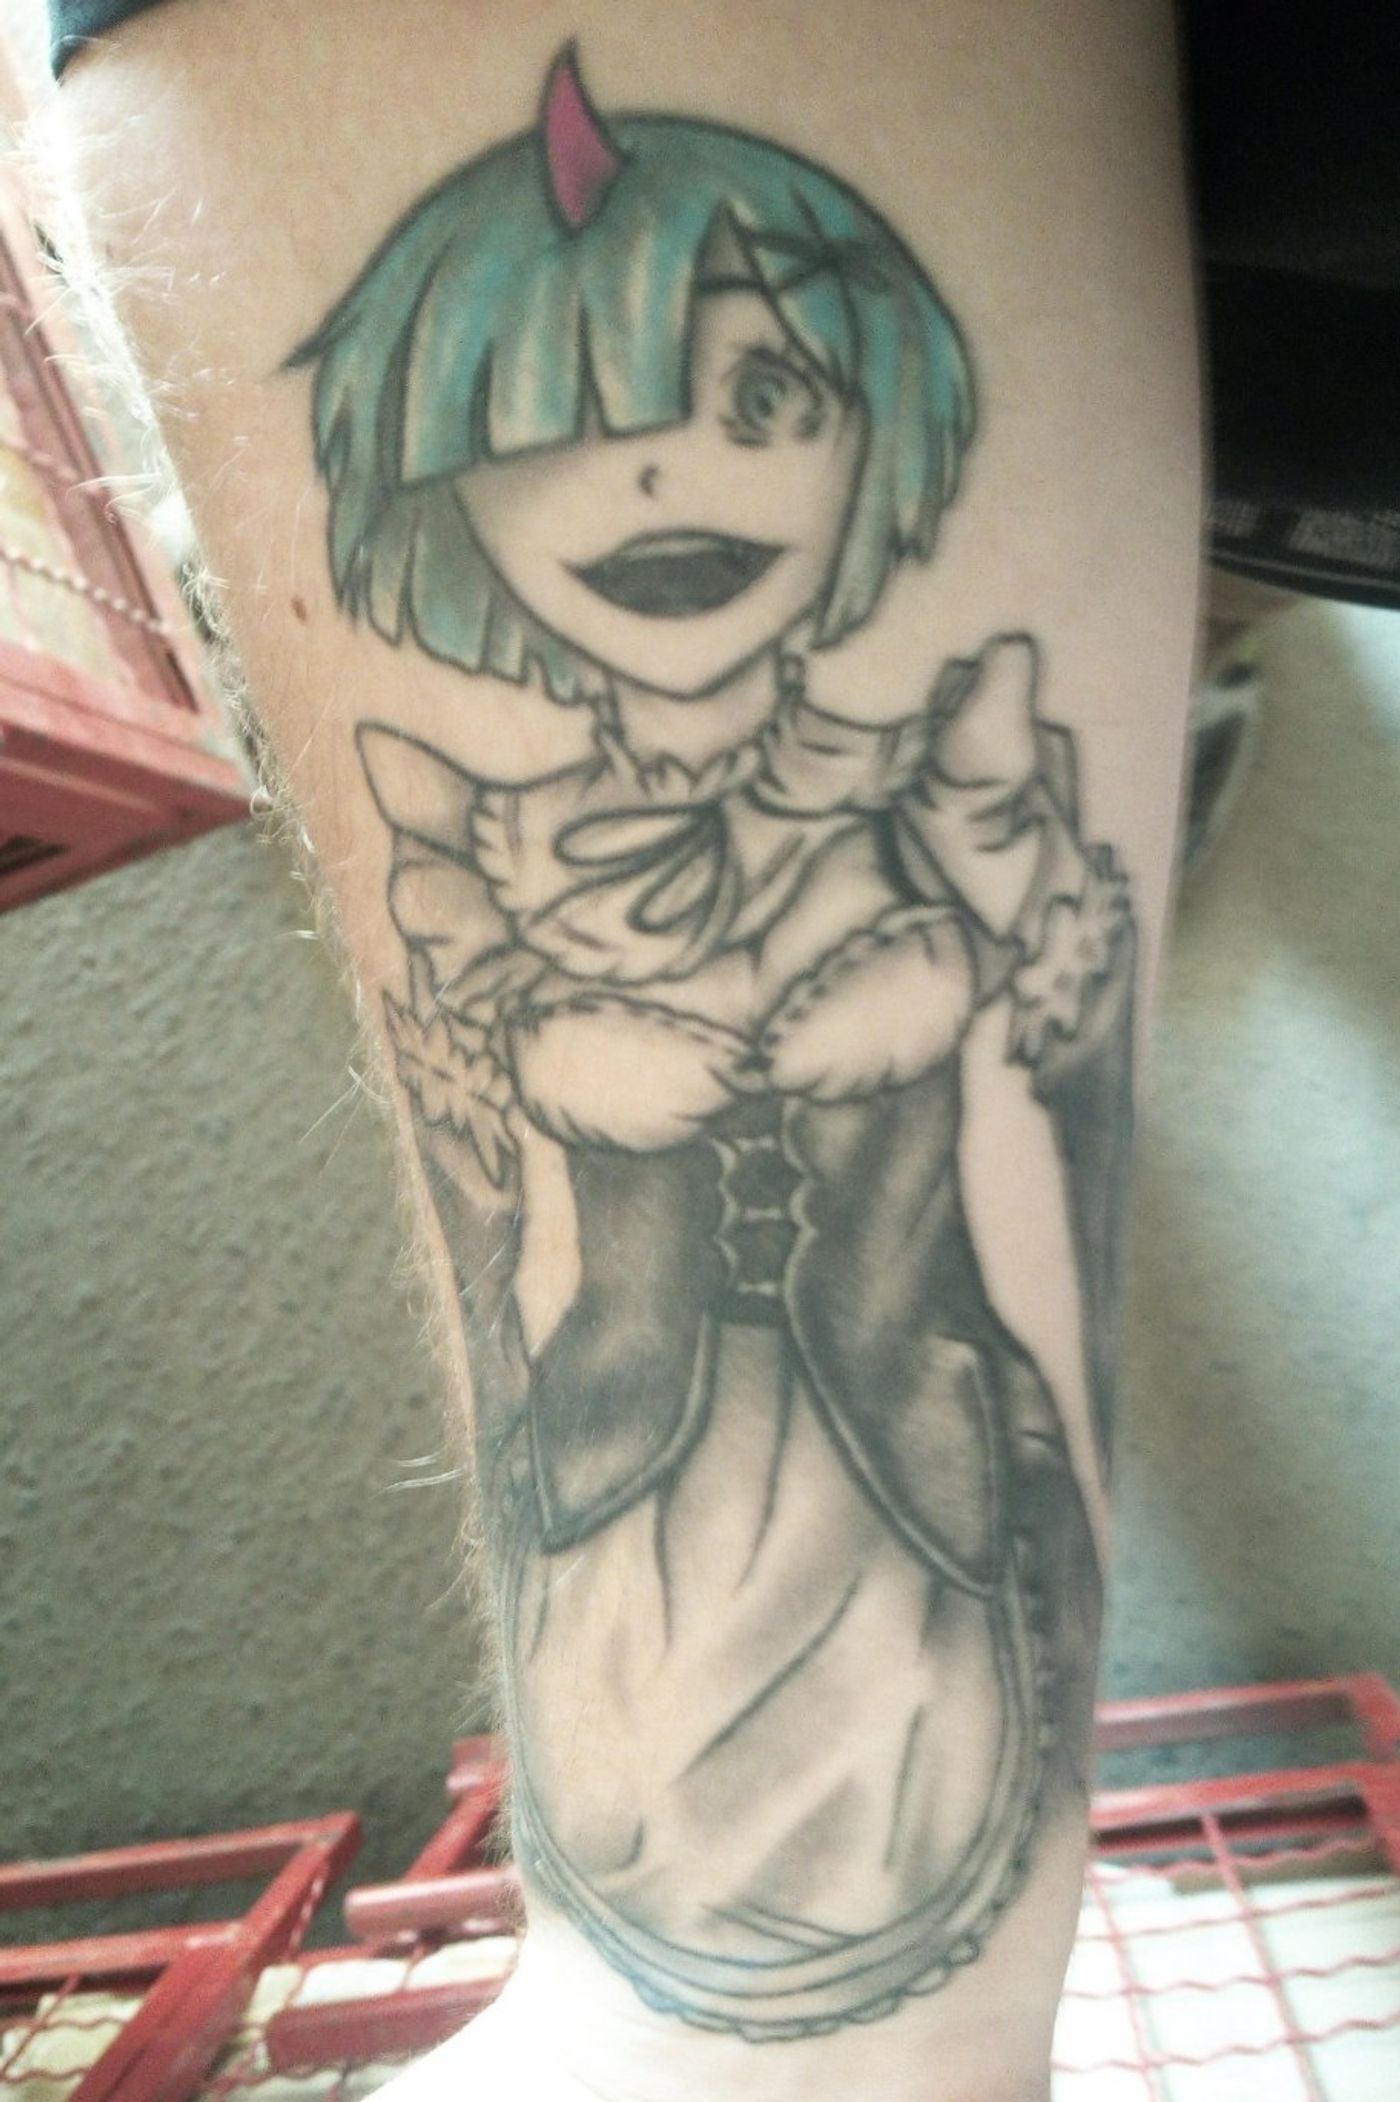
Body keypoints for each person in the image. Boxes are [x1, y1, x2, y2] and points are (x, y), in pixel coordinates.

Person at [48, 4, 1200, 2096]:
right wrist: (557, 1066)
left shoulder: (925, 767)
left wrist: (938, 980)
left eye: (764, 391)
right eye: (555, 415)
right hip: (644, 1432)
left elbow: (1056, 983)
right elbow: (473, 1073)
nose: (666, 471)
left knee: (891, 1800)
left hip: (900, 1419)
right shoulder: (490, 830)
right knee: (678, 1774)